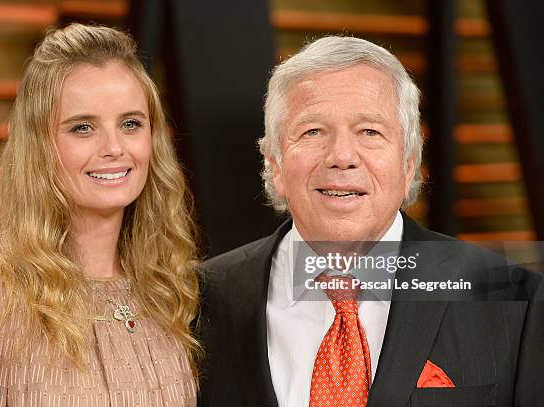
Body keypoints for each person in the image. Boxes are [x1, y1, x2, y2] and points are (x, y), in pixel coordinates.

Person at [197, 36, 543, 407]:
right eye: (313, 131)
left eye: (370, 132)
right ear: (275, 164)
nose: (342, 156)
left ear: (409, 163)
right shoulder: (200, 301)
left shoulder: (515, 301)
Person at [0, 24, 200, 405]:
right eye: (83, 128)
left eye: (130, 124)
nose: (113, 148)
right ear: (40, 147)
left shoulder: (166, 291)